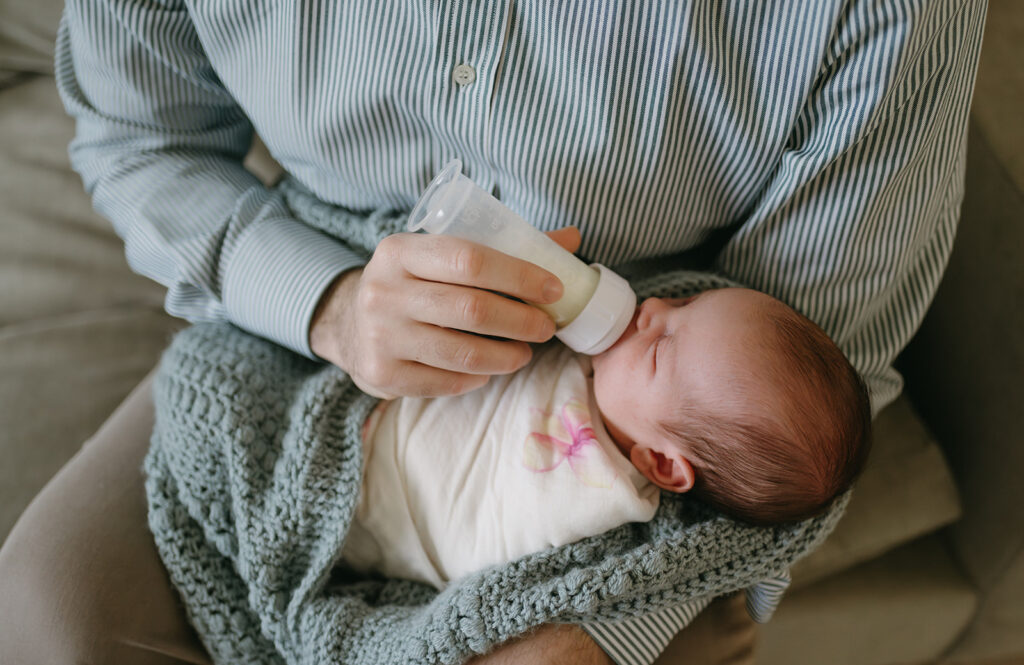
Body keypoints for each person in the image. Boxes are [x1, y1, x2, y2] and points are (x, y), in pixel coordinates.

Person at [0, 1, 985, 664]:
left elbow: (800, 377)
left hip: (672, 452)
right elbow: (141, 140)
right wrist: (328, 300)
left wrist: (588, 631)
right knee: (56, 609)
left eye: (661, 332)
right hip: (311, 296)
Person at [342, 287, 871, 589]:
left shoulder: (592, 511)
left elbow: (492, 580)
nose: (654, 307)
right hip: (362, 412)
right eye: (688, 300)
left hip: (369, 521)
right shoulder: (602, 373)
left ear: (662, 465)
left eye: (661, 347)